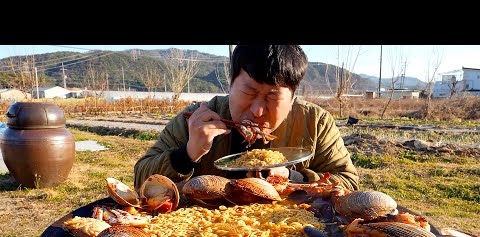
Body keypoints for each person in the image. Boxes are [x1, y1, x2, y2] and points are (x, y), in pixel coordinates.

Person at [134, 45, 359, 192]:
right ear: (230, 85)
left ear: (292, 98)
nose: (258, 111)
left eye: (273, 97)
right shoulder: (196, 118)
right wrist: (188, 154)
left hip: (287, 228)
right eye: (248, 92)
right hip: (207, 231)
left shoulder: (315, 122)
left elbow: (348, 183)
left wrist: (293, 178)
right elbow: (141, 181)